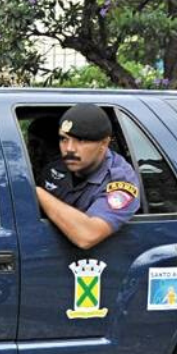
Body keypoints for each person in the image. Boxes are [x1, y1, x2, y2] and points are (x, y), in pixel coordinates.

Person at [36, 103, 140, 249]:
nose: (69, 149)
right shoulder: (55, 167)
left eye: (81, 140)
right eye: (64, 139)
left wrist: (36, 192)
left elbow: (87, 235)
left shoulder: (120, 180)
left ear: (104, 143)